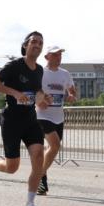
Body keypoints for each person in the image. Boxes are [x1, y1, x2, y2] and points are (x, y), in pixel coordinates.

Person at [0, 31, 51, 206]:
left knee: (38, 156)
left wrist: (44, 97)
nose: (37, 44)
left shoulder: (39, 70)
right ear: (26, 45)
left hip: (30, 119)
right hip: (11, 120)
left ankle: (29, 204)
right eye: (33, 41)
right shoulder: (15, 65)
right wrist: (13, 93)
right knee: (12, 167)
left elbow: (36, 92)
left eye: (40, 43)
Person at [36, 45, 78, 195]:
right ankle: (39, 176)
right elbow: (33, 90)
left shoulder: (65, 74)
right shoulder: (41, 72)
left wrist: (72, 95)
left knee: (52, 149)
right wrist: (39, 100)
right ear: (47, 57)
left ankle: (41, 179)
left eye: (60, 55)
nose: (58, 58)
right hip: (42, 115)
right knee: (54, 145)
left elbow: (71, 90)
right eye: (55, 55)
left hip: (58, 117)